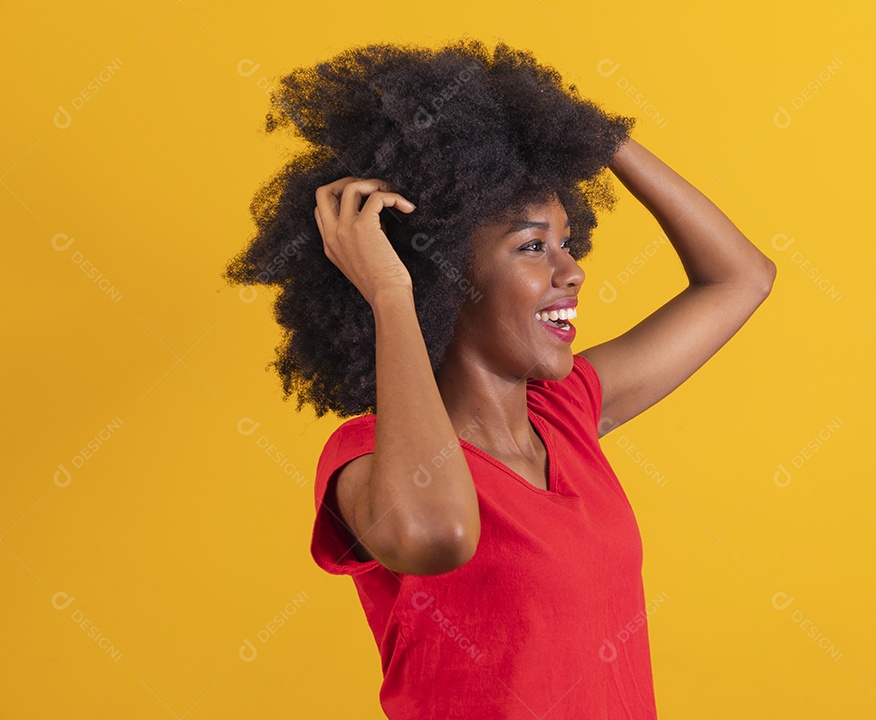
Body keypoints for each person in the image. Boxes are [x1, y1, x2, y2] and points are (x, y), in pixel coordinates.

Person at [224, 37, 775, 719]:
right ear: (445, 276)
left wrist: (592, 136)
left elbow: (742, 278)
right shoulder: (367, 457)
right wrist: (390, 291)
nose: (571, 271)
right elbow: (437, 535)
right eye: (533, 246)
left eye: (566, 241)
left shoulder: (566, 415)